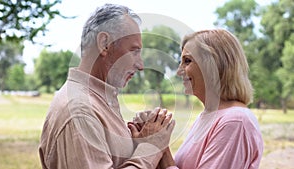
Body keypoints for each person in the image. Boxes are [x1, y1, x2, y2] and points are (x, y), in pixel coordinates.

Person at [39, 3, 175, 169]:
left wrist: (137, 144)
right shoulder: (79, 111)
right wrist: (151, 147)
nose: (140, 65)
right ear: (104, 44)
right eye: (134, 51)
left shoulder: (95, 101)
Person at [131, 29, 263, 169]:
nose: (179, 71)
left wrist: (158, 145)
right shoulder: (207, 116)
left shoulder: (235, 121)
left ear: (214, 65)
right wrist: (150, 141)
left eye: (187, 61)